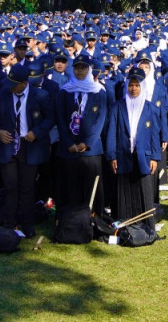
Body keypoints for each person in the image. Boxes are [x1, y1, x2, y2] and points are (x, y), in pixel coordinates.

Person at [0, 62, 53, 237]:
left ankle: (27, 223)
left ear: (23, 84)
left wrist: (36, 132)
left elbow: (50, 118)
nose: (10, 88)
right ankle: (9, 223)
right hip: (8, 144)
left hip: (29, 145)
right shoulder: (3, 94)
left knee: (27, 187)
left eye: (14, 85)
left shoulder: (40, 96)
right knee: (10, 186)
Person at [105, 67, 163, 225]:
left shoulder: (151, 108)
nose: (134, 88)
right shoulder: (117, 106)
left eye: (137, 85)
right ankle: (123, 224)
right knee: (123, 191)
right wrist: (112, 156)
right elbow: (111, 133)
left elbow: (154, 135)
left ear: (142, 86)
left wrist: (155, 157)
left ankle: (145, 224)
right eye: (131, 85)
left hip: (143, 156)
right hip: (122, 155)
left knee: (143, 190)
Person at [54, 54, 110, 218]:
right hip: (68, 148)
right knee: (69, 184)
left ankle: (93, 220)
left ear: (89, 69)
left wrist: (87, 142)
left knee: (91, 185)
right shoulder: (65, 91)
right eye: (77, 68)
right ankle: (68, 221)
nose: (80, 71)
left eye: (83, 67)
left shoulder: (99, 91)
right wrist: (68, 142)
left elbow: (100, 119)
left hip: (90, 149)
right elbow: (60, 118)